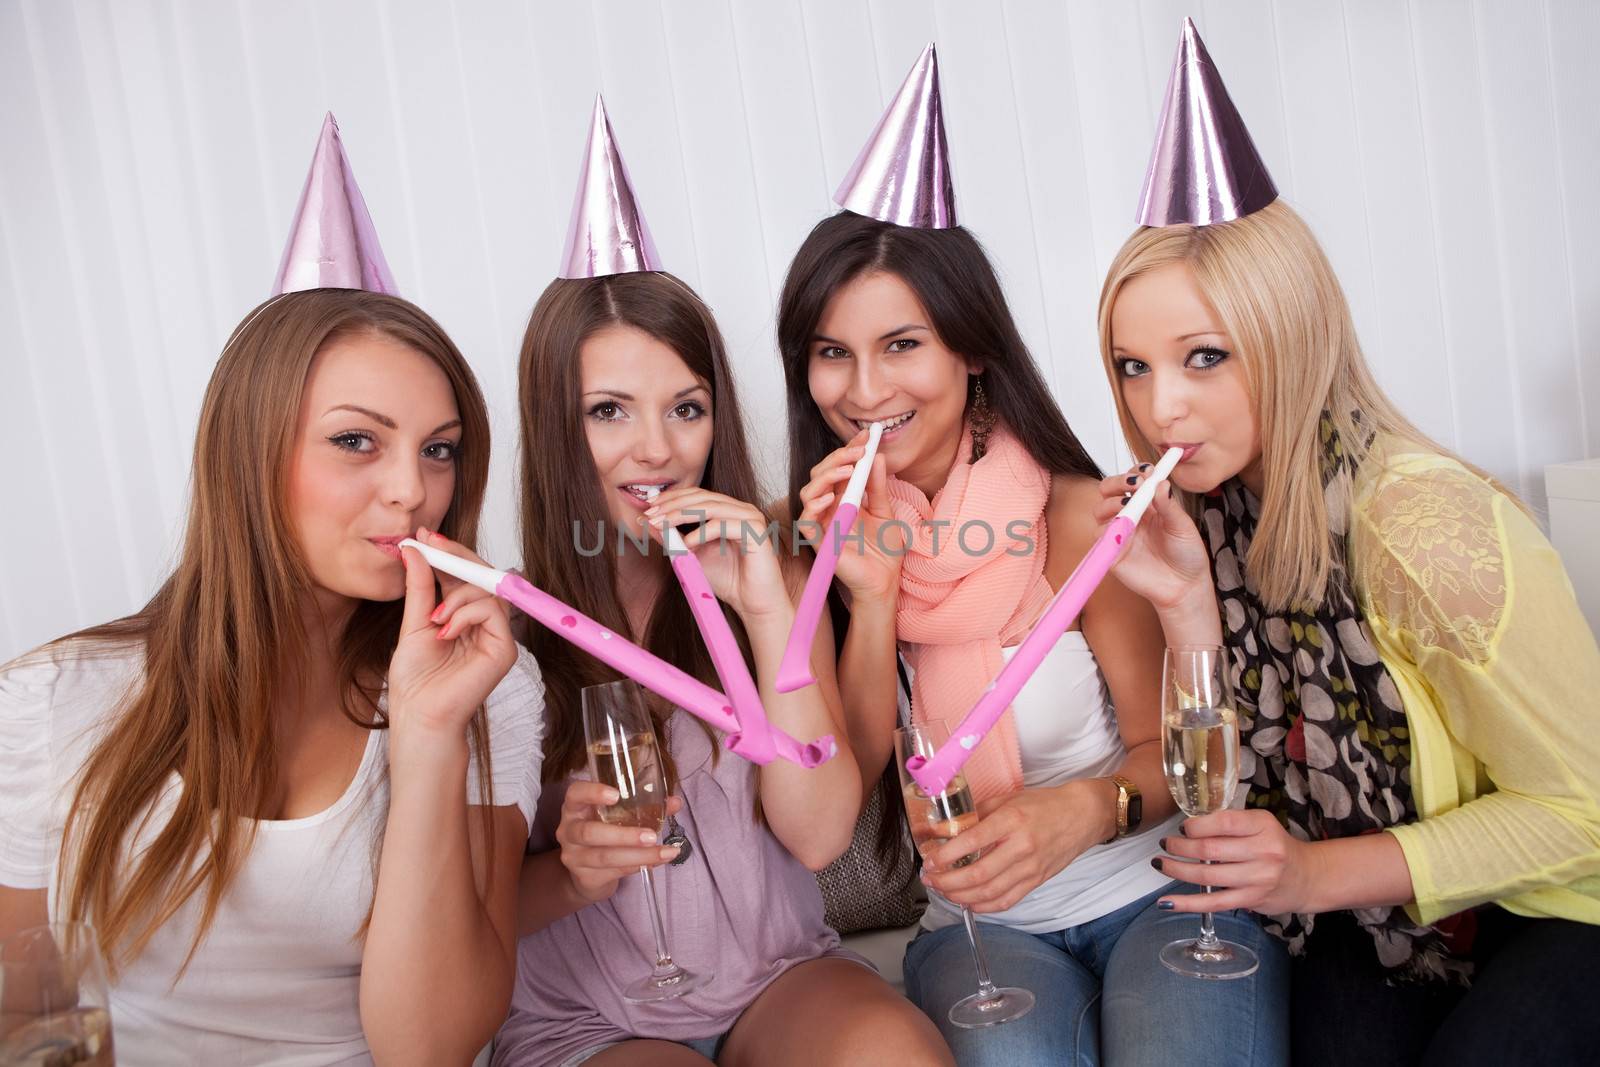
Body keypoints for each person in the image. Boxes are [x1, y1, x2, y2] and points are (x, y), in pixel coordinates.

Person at [1095, 19, 1600, 1067]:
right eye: (1132, 366)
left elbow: (1583, 807)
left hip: (1549, 905)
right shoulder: (1211, 508)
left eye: (1202, 357)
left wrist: (1315, 876)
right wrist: (1184, 602)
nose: (1159, 407)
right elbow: (1217, 794)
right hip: (1380, 924)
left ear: (1292, 339)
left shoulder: (1424, 525)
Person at [775, 45, 1286, 1067]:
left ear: (970, 348)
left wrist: (1079, 809)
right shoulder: (810, 550)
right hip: (979, 929)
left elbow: (1171, 761)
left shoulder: (1076, 516)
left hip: (1158, 889)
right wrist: (866, 595)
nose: (861, 387)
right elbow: (853, 790)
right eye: (831, 351)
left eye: (901, 344)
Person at [493, 99, 951, 1067]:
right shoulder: (504, 632)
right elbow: (476, 906)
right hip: (590, 1014)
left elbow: (824, 833)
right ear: (552, 424)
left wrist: (765, 606)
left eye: (684, 407)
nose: (656, 448)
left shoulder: (769, 575)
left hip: (774, 973)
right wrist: (570, 868)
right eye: (609, 410)